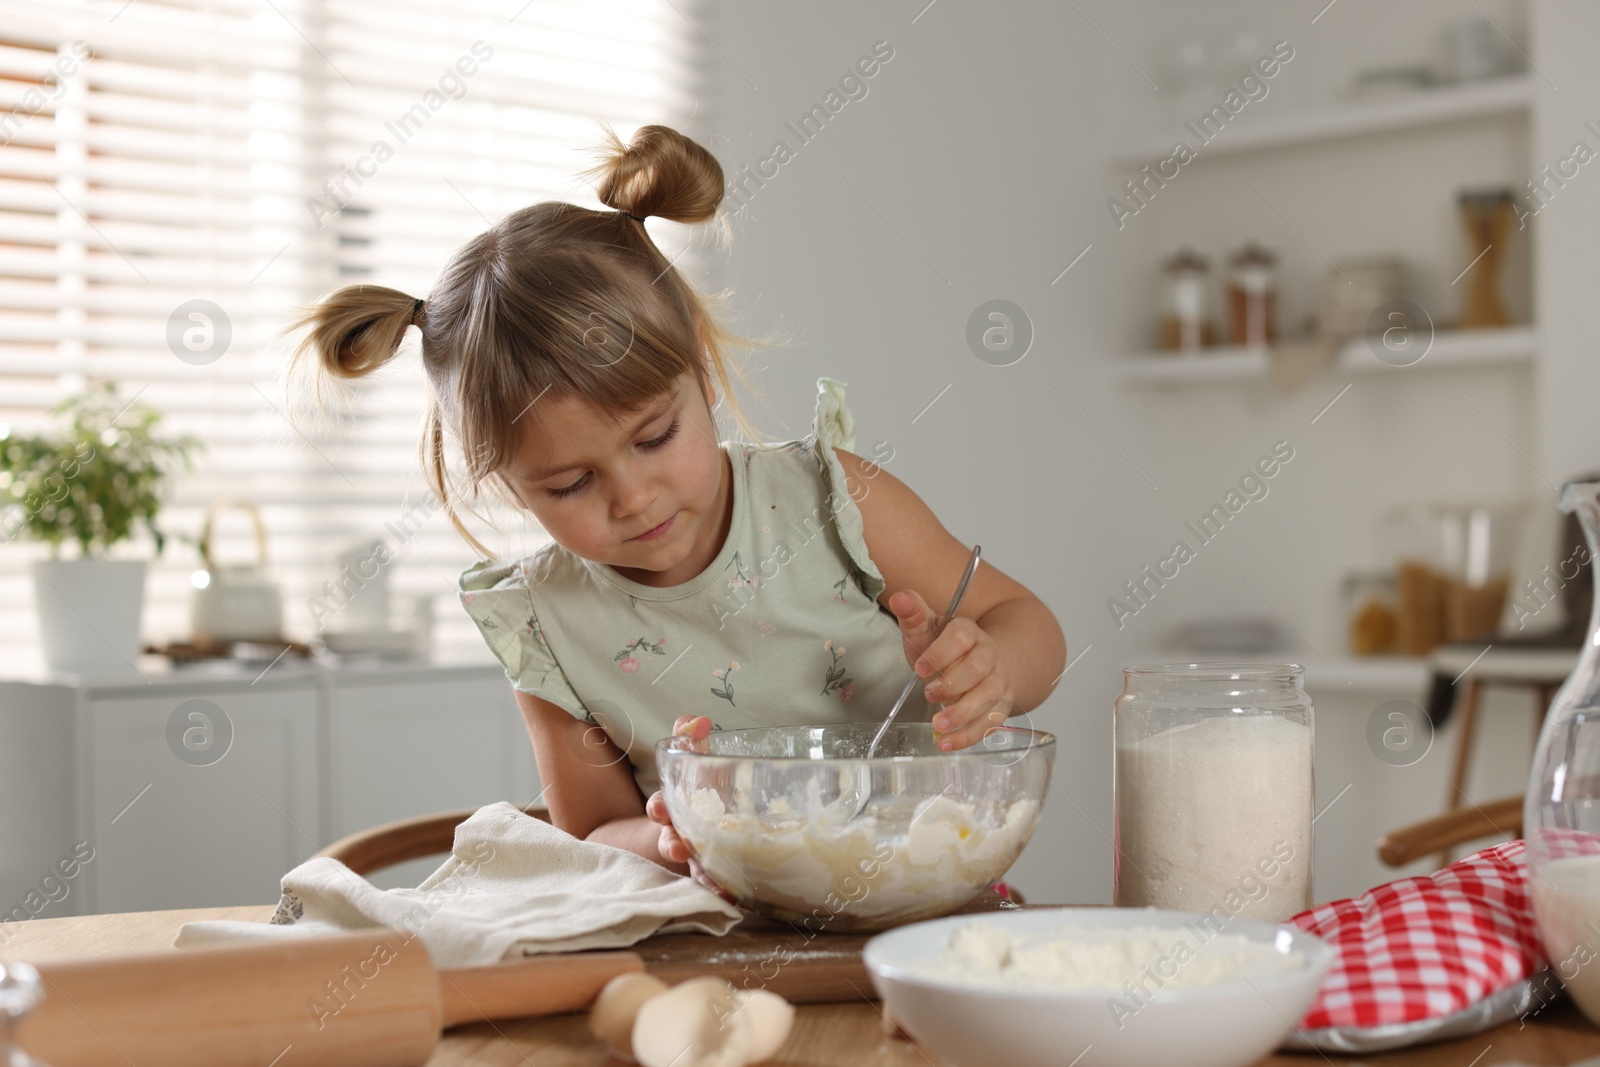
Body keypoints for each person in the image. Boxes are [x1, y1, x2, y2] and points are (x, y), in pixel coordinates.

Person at [289, 123, 1065, 888]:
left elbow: (1031, 625)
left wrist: (993, 666)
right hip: (720, 936)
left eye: (654, 436)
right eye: (569, 484)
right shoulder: (544, 620)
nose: (633, 496)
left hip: (922, 895)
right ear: (508, 485)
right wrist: (668, 834)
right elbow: (592, 827)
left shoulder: (832, 498)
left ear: (700, 364)